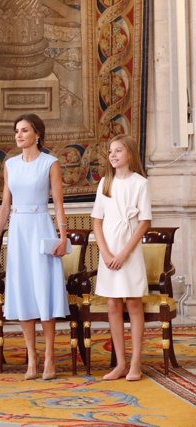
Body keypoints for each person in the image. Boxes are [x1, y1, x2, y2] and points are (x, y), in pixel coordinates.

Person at [0, 113, 69, 380]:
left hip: (41, 227)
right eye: (17, 131)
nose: (19, 135)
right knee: (23, 292)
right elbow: (4, 206)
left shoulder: (51, 163)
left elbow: (58, 203)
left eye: (24, 130)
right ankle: (31, 360)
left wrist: (63, 236)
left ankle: (49, 359)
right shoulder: (10, 164)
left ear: (37, 134)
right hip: (19, 230)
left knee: (43, 291)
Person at [91, 134, 151, 381]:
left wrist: (124, 253)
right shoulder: (105, 182)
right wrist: (105, 253)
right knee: (113, 305)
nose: (113, 155)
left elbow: (144, 223)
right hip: (109, 252)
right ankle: (120, 363)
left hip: (129, 251)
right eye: (111, 151)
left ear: (130, 154)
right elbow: (97, 221)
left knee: (134, 304)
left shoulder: (140, 183)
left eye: (118, 151)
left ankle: (136, 363)